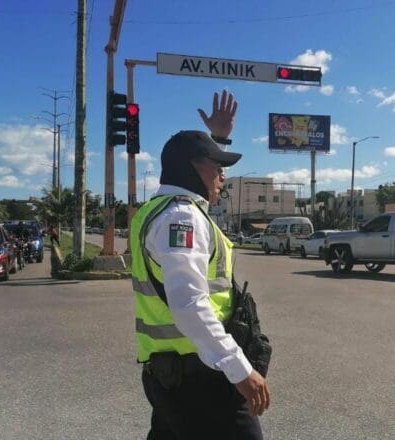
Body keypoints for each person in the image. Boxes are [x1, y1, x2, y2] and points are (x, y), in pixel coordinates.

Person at [130, 90, 270, 439]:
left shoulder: (160, 210)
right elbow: (189, 302)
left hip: (173, 374)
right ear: (194, 169)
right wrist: (239, 370)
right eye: (217, 167)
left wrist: (218, 139)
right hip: (199, 381)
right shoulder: (181, 218)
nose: (223, 177)